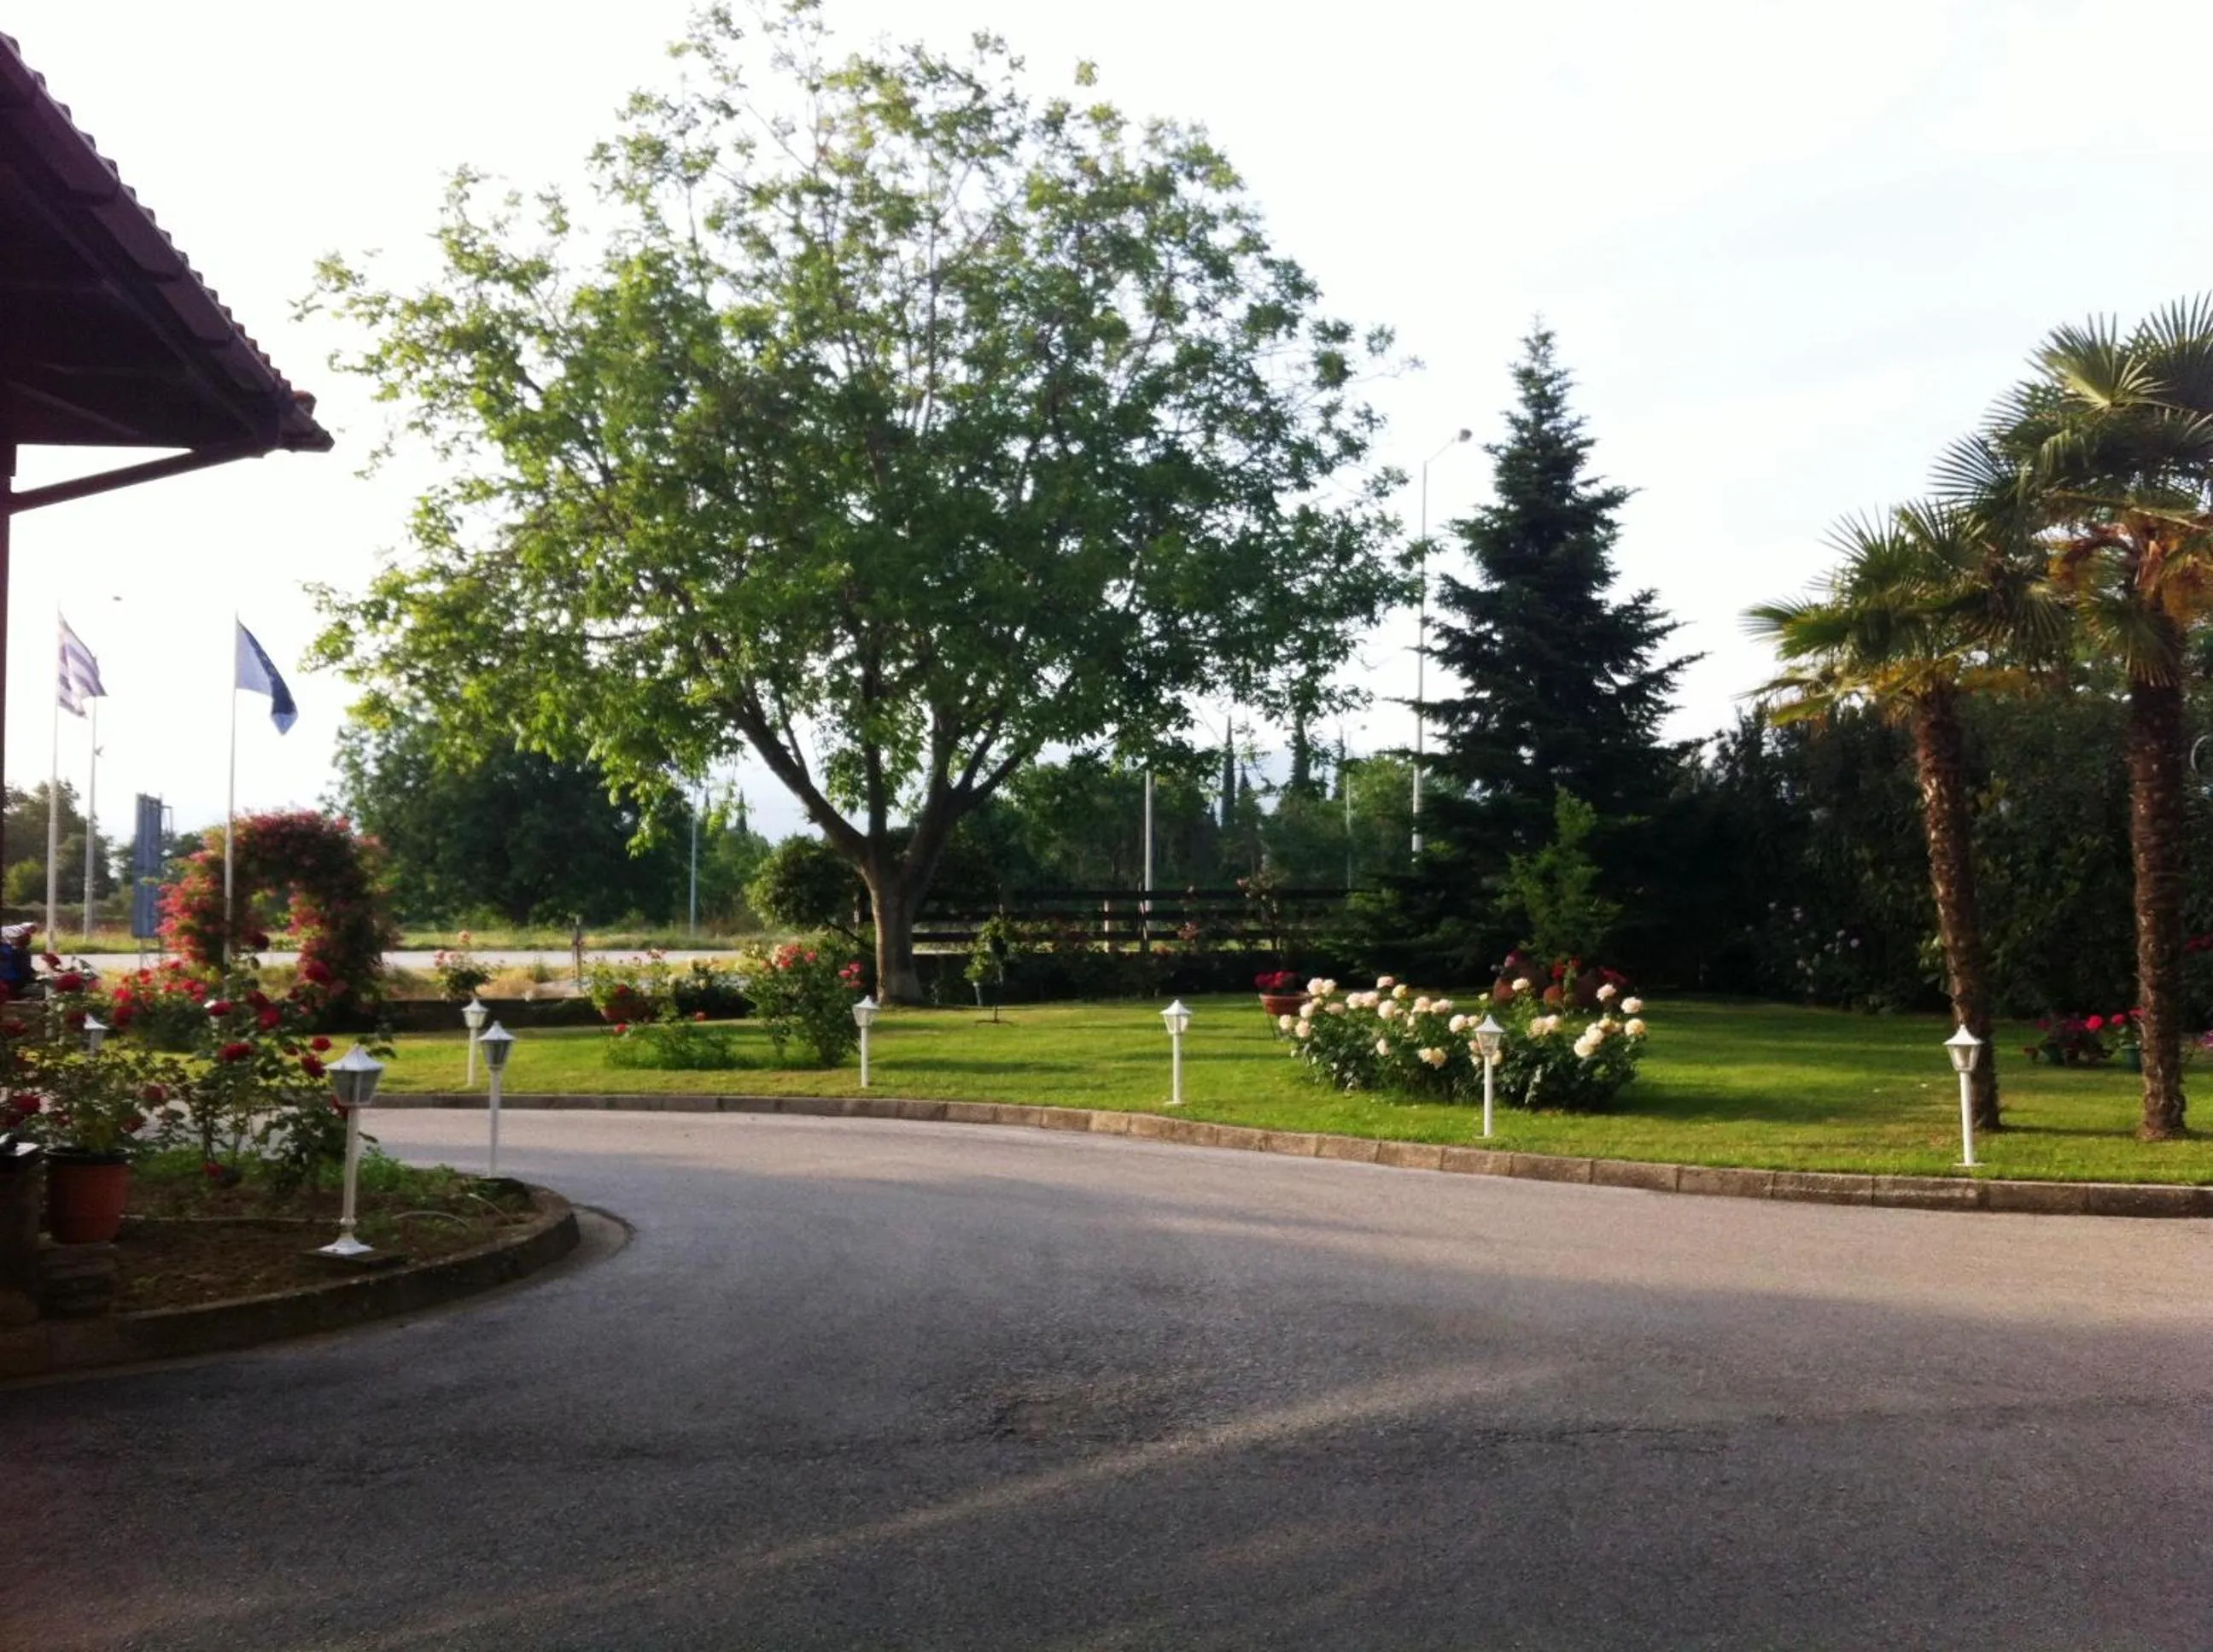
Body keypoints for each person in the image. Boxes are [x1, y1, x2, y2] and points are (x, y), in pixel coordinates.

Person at [0, 925, 35, 997]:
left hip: (7, 980)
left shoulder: (8, 949)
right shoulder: (20, 951)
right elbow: (23, 968)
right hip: (13, 980)